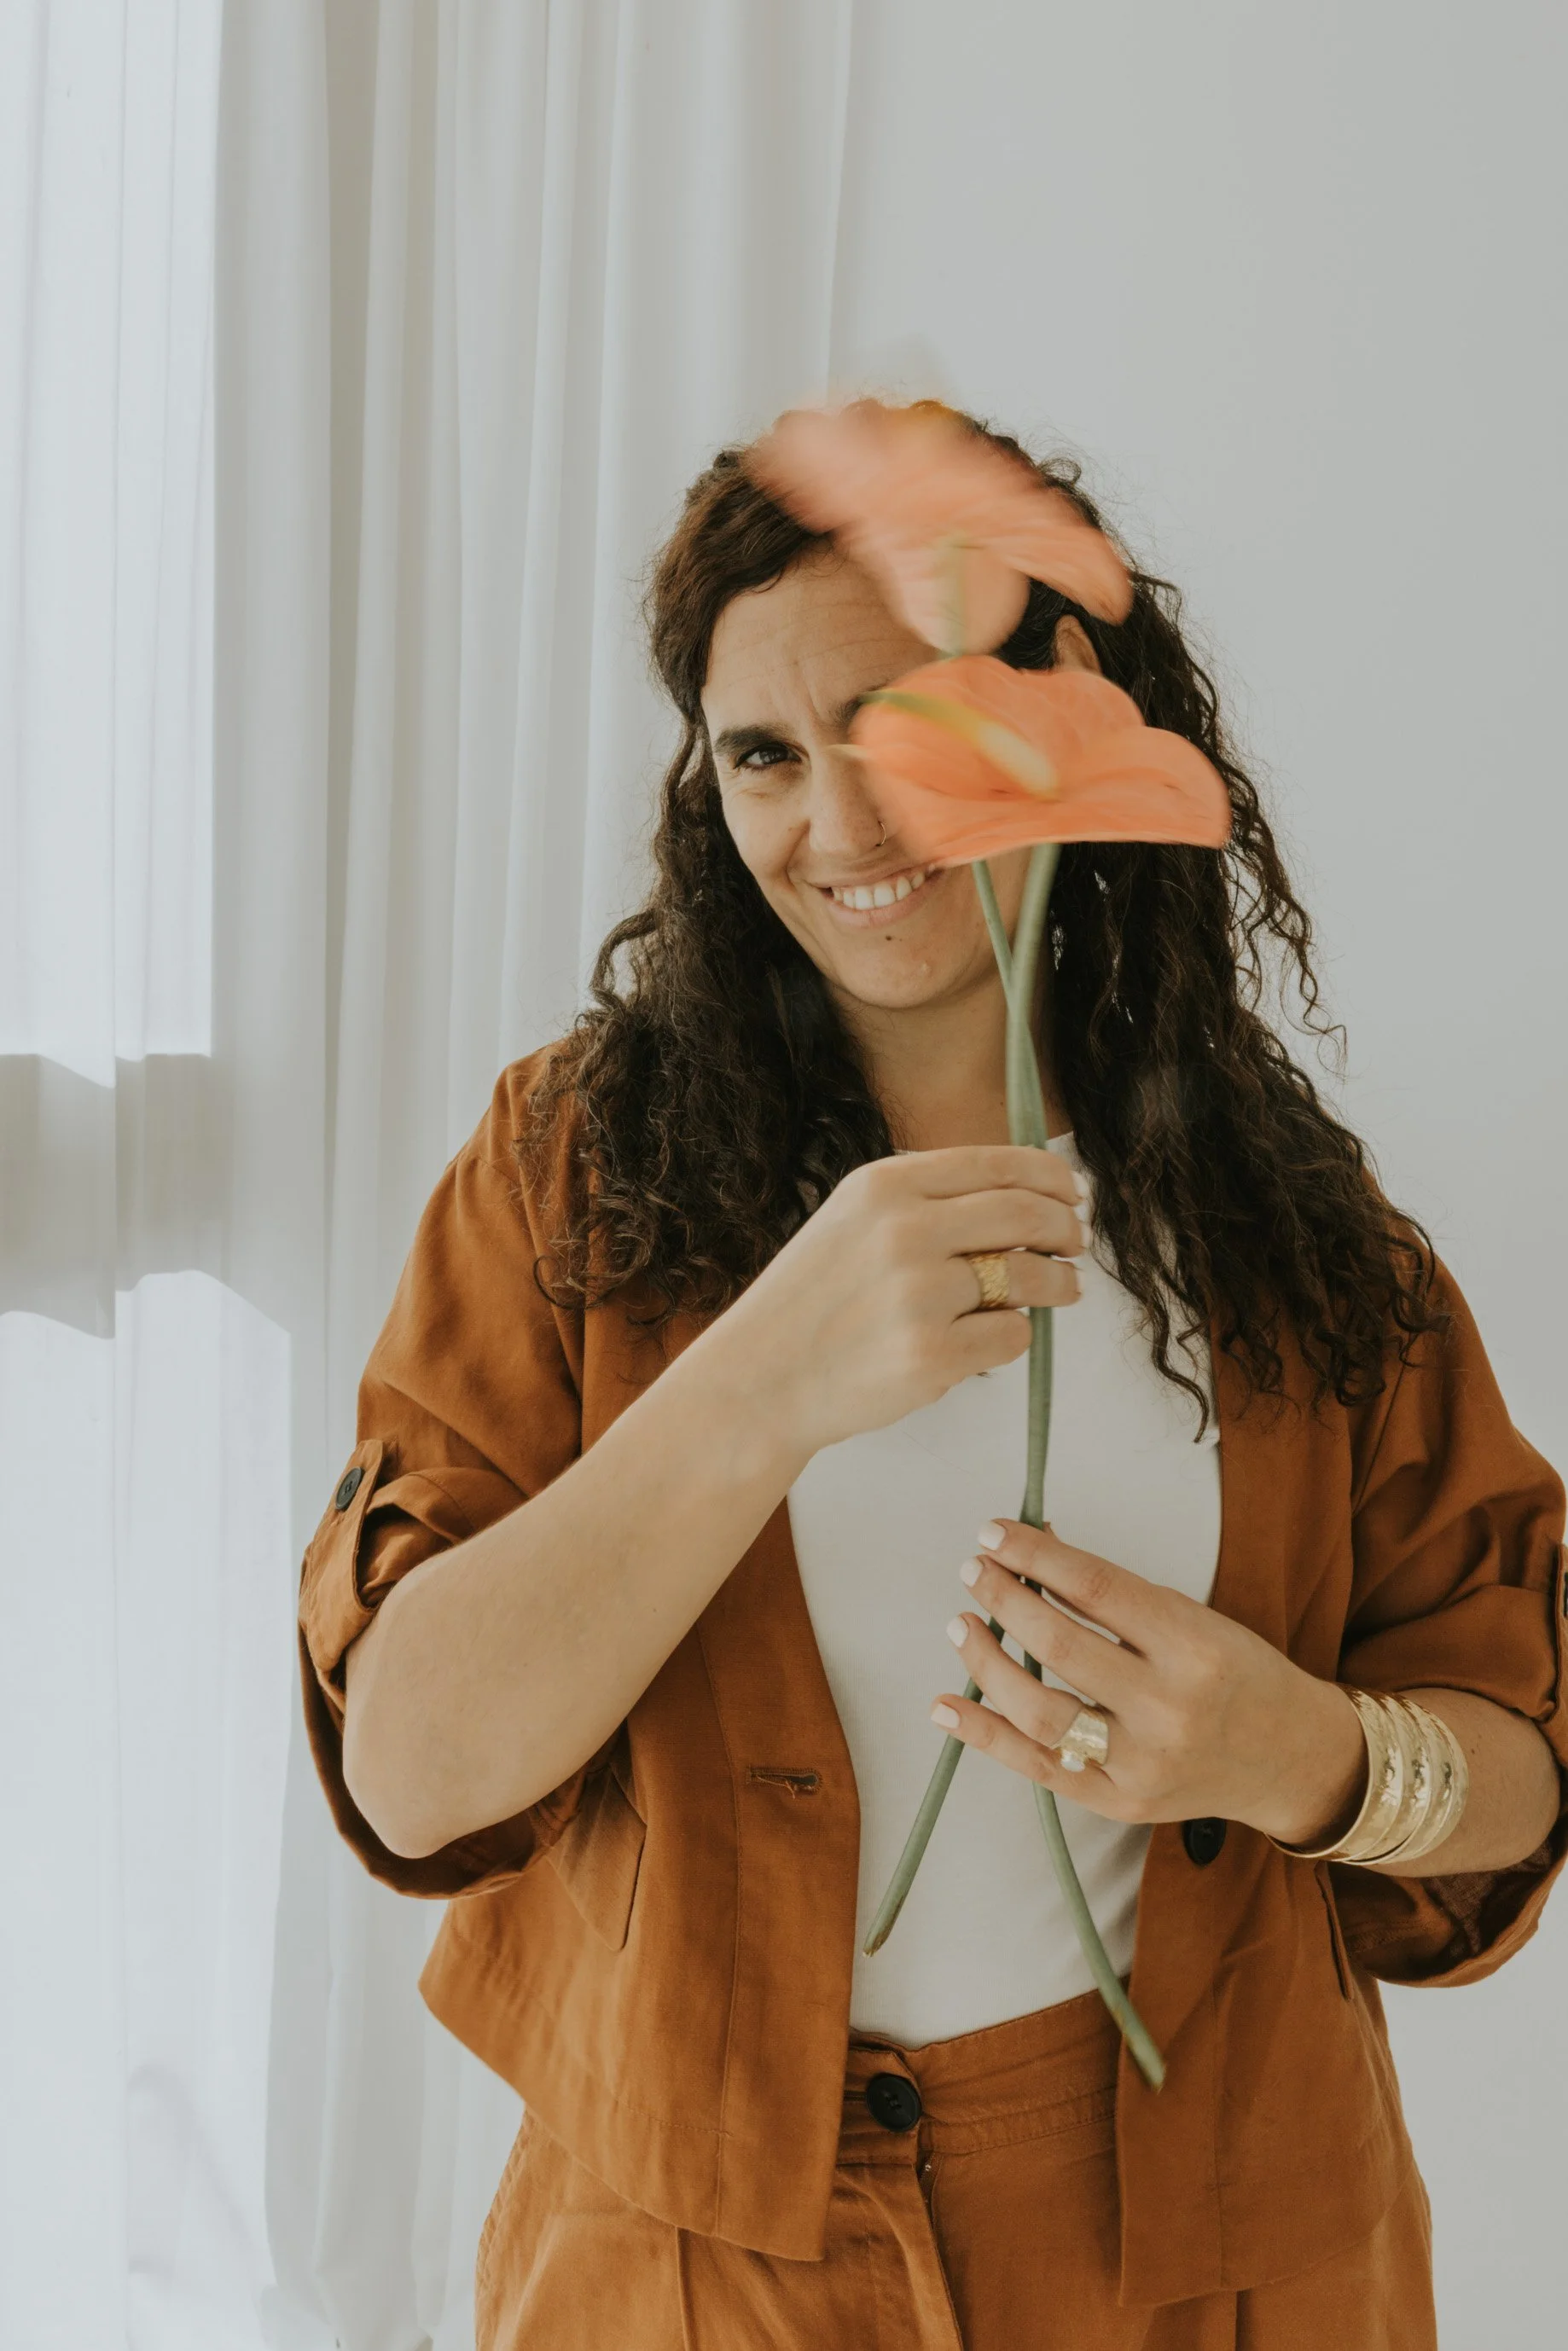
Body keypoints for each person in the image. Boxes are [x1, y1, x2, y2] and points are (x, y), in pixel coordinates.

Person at [298, 414, 1566, 2350]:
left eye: (898, 727)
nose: (840, 826)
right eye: (763, 756)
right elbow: (408, 1771)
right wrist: (761, 1385)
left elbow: (1521, 1761)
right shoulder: (570, 1174)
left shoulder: (1295, 1229)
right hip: (690, 2262)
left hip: (1226, 2264)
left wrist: (1291, 1751)